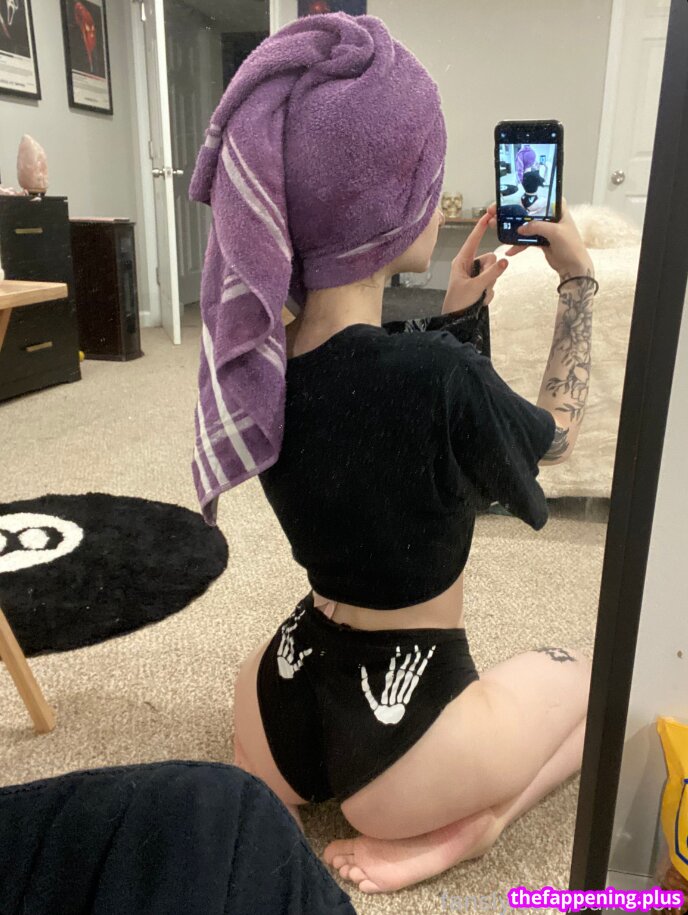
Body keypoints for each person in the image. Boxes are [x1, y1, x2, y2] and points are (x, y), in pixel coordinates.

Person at [190, 11, 596, 896]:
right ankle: (476, 828)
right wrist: (577, 280)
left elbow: (385, 404)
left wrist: (458, 317)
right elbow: (554, 434)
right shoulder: (437, 378)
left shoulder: (260, 364)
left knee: (280, 709)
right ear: (392, 205)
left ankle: (313, 797)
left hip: (275, 705)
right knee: (602, 679)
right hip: (407, 745)